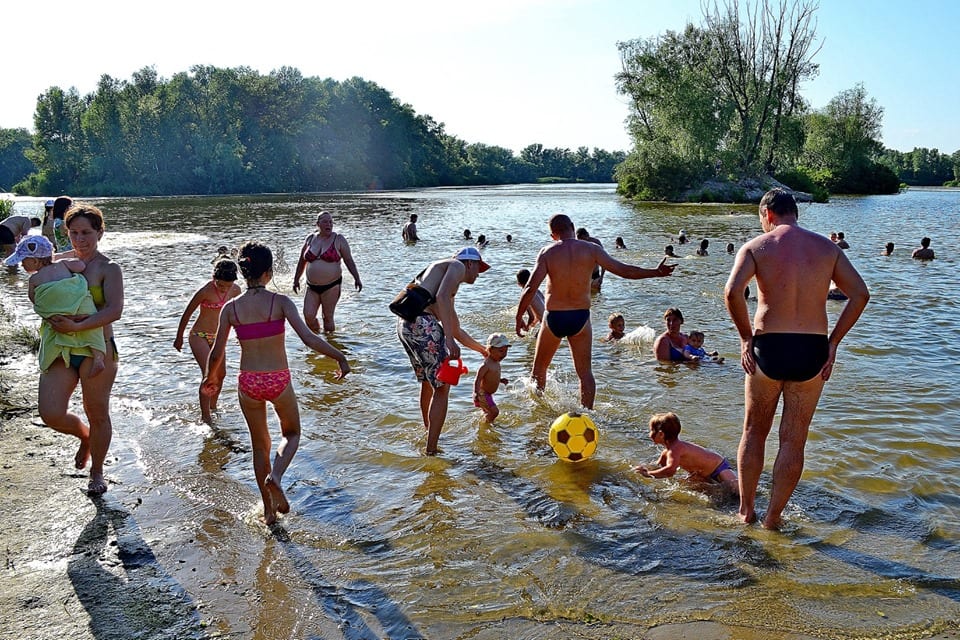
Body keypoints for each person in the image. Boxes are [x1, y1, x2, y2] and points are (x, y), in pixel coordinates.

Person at [724, 188, 869, 530]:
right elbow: (860, 294)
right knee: (794, 438)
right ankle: (773, 518)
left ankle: (746, 511)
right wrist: (833, 343)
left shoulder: (757, 247)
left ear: (768, 215)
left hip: (768, 348)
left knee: (754, 431)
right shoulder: (827, 248)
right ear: (794, 213)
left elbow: (731, 293)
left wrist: (746, 337)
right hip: (812, 350)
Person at [202, 242, 350, 525]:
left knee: (260, 446)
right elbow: (308, 337)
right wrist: (339, 356)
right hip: (278, 379)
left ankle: (269, 513)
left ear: (244, 273)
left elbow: (217, 351)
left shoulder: (231, 309)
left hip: (249, 382)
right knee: (292, 434)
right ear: (268, 272)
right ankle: (277, 476)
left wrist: (209, 378)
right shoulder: (280, 302)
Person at [516, 214, 676, 409]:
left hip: (554, 316)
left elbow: (530, 288)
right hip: (580, 317)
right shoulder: (592, 250)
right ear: (573, 227)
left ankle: (538, 416)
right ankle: (587, 416)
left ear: (552, 235)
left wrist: (519, 316)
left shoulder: (547, 252)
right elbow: (625, 271)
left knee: (538, 370)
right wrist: (655, 272)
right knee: (585, 374)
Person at [36, 204, 124, 496]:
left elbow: (114, 310)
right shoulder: (56, 263)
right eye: (73, 233)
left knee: (97, 412)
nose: (80, 239)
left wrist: (78, 326)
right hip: (60, 345)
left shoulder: (109, 268)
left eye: (86, 232)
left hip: (98, 347)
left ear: (100, 232)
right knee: (50, 412)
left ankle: (97, 471)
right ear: (66, 233)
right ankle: (84, 438)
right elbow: (35, 289)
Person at [397, 247, 490, 454]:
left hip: (406, 325)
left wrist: (482, 350)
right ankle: (431, 449)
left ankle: (429, 432)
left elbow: (456, 329)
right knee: (442, 387)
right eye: (478, 267)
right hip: (423, 324)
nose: (478, 273)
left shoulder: (442, 282)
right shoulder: (456, 266)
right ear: (469, 263)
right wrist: (448, 340)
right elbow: (442, 298)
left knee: (427, 382)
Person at [3, 235, 106, 378]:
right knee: (93, 330)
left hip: (57, 314)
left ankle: (57, 354)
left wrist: (50, 309)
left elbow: (35, 300)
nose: (21, 265)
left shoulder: (34, 279)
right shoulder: (63, 264)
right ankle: (98, 358)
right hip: (78, 305)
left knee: (53, 325)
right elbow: (81, 266)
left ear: (34, 261)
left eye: (23, 261)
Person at [174, 259, 242, 424]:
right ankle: (205, 417)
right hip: (199, 336)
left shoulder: (236, 290)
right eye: (220, 285)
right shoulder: (205, 291)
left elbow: (240, 314)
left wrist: (242, 336)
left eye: (227, 285)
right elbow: (187, 313)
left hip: (219, 338)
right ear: (214, 278)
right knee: (209, 374)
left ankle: (212, 407)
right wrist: (179, 337)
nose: (224, 288)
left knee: (222, 374)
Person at [634, 412, 739, 495]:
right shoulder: (667, 453)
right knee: (688, 486)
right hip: (702, 474)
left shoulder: (675, 450)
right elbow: (658, 466)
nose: (649, 434)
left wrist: (648, 474)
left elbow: (670, 470)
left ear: (661, 434)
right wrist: (641, 469)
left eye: (651, 430)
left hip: (719, 468)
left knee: (737, 491)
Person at [292, 211, 362, 333]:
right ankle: (318, 339)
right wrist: (296, 280)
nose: (328, 224)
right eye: (325, 221)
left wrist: (357, 278)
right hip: (311, 286)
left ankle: (330, 345)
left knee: (327, 318)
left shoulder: (339, 239)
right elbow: (301, 261)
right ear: (317, 224)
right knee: (308, 316)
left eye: (330, 222)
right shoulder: (310, 238)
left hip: (331, 285)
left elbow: (349, 260)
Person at [473, 333, 510, 423]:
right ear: (490, 349)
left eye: (506, 351)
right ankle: (486, 424)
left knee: (490, 411)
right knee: (495, 412)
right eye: (501, 351)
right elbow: (478, 379)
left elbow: (491, 376)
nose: (504, 354)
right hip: (483, 394)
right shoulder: (486, 365)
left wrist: (500, 380)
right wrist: (476, 393)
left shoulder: (496, 362)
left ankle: (487, 421)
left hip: (488, 394)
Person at [516, 268, 544, 333]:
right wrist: (531, 326)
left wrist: (526, 330)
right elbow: (540, 312)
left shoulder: (526, 295)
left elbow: (532, 317)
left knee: (537, 341)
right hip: (553, 318)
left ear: (519, 284)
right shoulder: (536, 290)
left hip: (546, 323)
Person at [576, 227, 605, 293]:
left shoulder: (596, 243)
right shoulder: (576, 244)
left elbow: (604, 262)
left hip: (595, 274)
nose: (581, 242)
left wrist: (602, 277)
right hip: (583, 275)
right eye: (579, 240)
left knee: (597, 295)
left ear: (587, 236)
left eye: (583, 240)